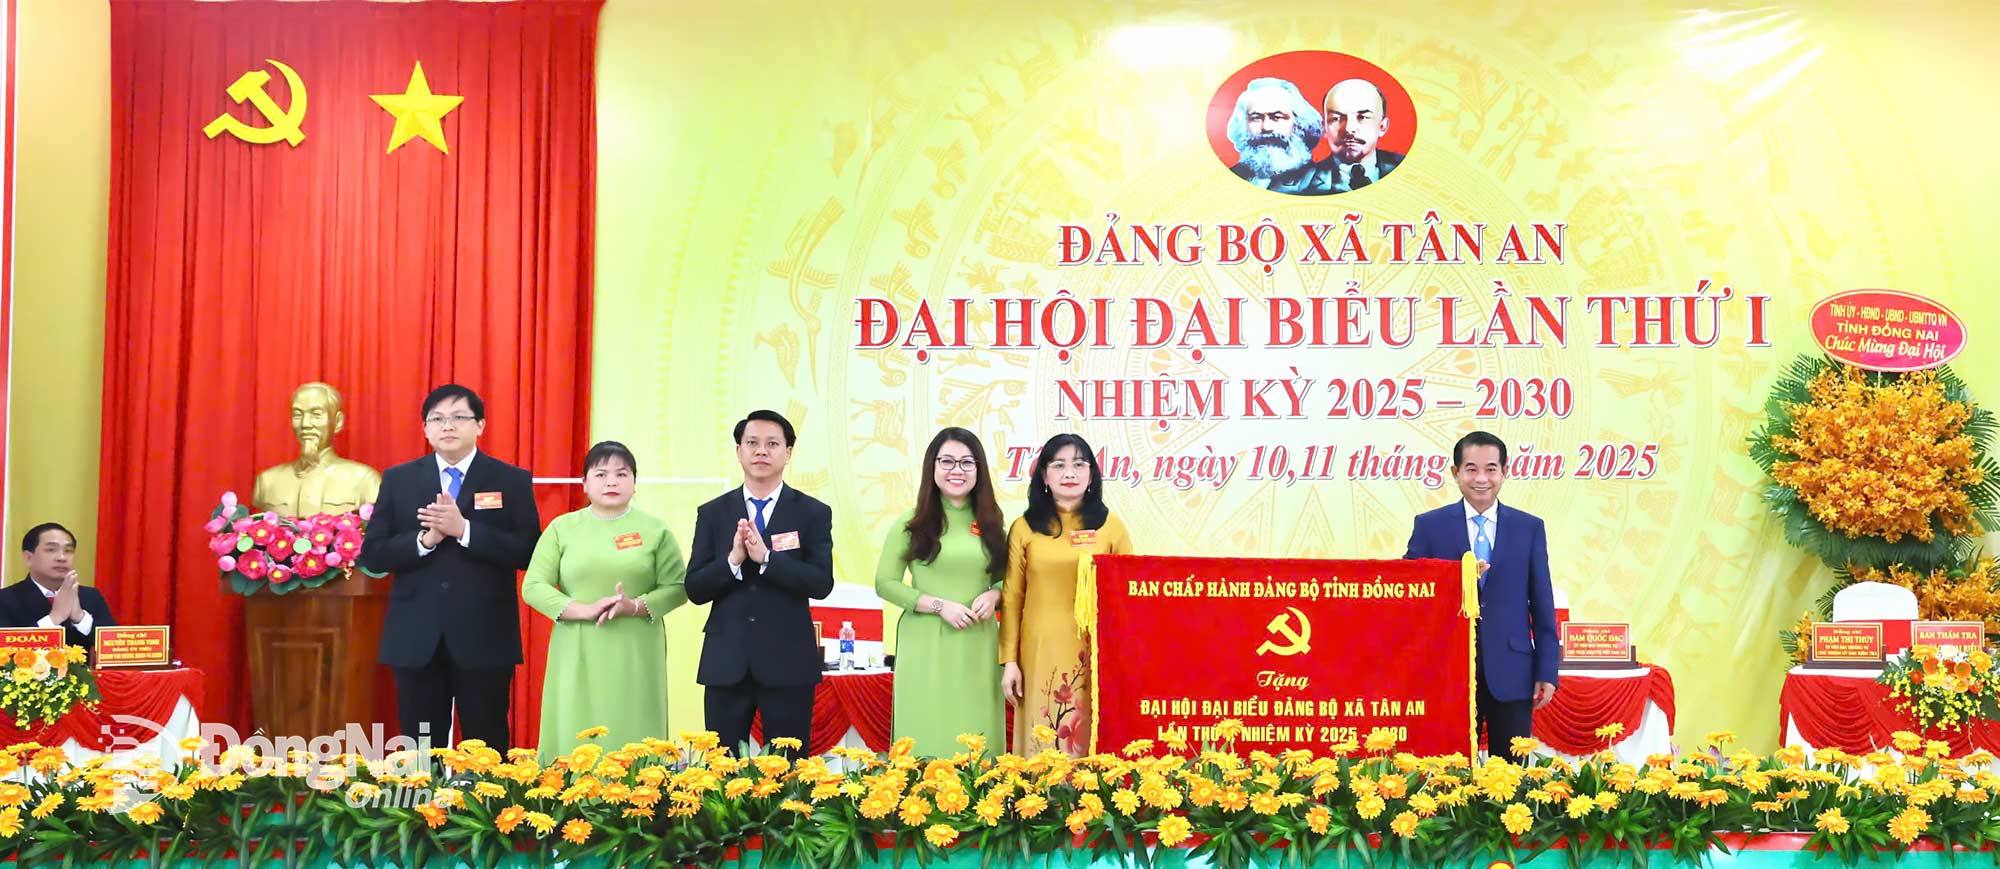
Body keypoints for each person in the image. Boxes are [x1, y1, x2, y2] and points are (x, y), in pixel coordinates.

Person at [359, 384, 541, 753]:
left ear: (480, 426)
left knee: (486, 743)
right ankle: (421, 811)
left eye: (459, 417)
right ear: (425, 429)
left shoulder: (510, 480)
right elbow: (374, 554)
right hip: (415, 635)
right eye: (437, 419)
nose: (448, 426)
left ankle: (485, 811)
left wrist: (465, 531)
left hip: (484, 635)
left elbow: (528, 551)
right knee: (420, 748)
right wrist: (424, 542)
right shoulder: (399, 479)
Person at [522, 441, 687, 761]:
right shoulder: (562, 528)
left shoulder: (655, 530)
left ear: (634, 483)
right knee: (574, 727)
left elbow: (678, 587)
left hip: (636, 647)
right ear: (584, 483)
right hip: (577, 644)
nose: (611, 481)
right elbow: (533, 585)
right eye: (601, 474)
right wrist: (580, 610)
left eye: (621, 474)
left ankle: (640, 802)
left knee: (635, 730)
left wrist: (634, 606)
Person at [685, 410, 834, 755]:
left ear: (788, 452)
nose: (761, 452)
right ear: (739, 451)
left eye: (772, 444)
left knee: (787, 768)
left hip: (788, 660)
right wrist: (733, 561)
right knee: (723, 771)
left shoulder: (812, 512)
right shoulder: (713, 512)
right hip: (727, 660)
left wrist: (768, 559)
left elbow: (820, 582)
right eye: (752, 443)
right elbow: (695, 588)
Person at [1402, 430, 1558, 756]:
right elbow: (1412, 598)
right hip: (1448, 670)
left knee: (1510, 781)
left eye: (1491, 469)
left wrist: (1547, 670)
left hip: (1513, 672)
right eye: (1471, 469)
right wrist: (1455, 581)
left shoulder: (1528, 528)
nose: (1481, 478)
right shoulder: (1430, 526)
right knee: (1449, 777)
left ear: (1505, 471)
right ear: (1455, 473)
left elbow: (1542, 605)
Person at [872, 428, 1008, 756]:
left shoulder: (993, 522)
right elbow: (884, 583)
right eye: (946, 461)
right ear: (931, 468)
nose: (956, 470)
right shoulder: (911, 523)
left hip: (979, 641)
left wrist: (994, 595)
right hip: (925, 643)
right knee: (925, 730)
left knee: (978, 737)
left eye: (966, 462)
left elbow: (1010, 580)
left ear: (979, 469)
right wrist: (937, 605)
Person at [999, 433, 1133, 756]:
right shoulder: (1024, 528)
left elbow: (1127, 596)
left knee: (1090, 737)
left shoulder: (1111, 528)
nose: (1069, 473)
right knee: (1043, 737)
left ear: (1091, 474)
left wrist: (1124, 657)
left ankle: (1091, 803)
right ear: (1044, 475)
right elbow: (1011, 598)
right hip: (1039, 649)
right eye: (1058, 465)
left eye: (1078, 464)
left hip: (1094, 652)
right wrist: (1009, 661)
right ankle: (1039, 805)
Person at [251, 382, 383, 518]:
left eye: (316, 414)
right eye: (298, 415)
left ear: (337, 422)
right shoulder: (267, 481)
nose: (305, 424)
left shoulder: (364, 480)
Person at [0, 523, 116, 653]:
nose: (62, 557)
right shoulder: (5, 600)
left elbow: (115, 650)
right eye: (51, 550)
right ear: (29, 558)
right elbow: (6, 654)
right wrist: (54, 618)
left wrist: (80, 618)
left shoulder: (91, 597)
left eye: (68, 551)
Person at [1223, 77, 1331, 195]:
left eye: (1277, 117)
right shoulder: (1229, 178)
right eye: (1256, 118)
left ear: (1299, 123)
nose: (1266, 127)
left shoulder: (1323, 182)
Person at [1310, 78, 1405, 193]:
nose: (1349, 129)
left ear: (1382, 126)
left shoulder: (1409, 169)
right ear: (1324, 127)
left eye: (1362, 117)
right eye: (1336, 119)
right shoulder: (1305, 182)